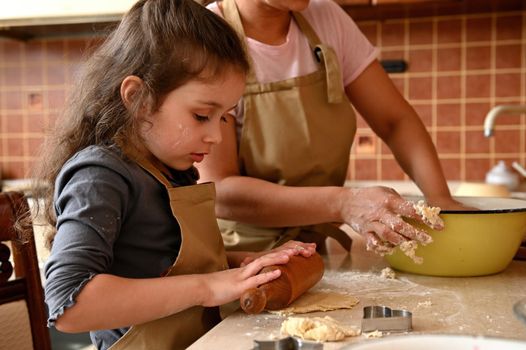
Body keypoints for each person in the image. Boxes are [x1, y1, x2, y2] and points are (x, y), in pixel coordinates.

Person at [33, 1, 316, 349]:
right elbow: (69, 304)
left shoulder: (172, 170)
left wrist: (245, 266)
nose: (215, 136)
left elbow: (159, 263)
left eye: (225, 117)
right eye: (201, 116)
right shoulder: (100, 175)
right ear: (138, 98)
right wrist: (210, 286)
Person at [197, 0, 466, 253]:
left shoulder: (326, 18)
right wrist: (343, 203)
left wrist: (439, 198)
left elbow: (395, 121)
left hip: (311, 250)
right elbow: (218, 190)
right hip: (238, 257)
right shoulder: (208, 35)